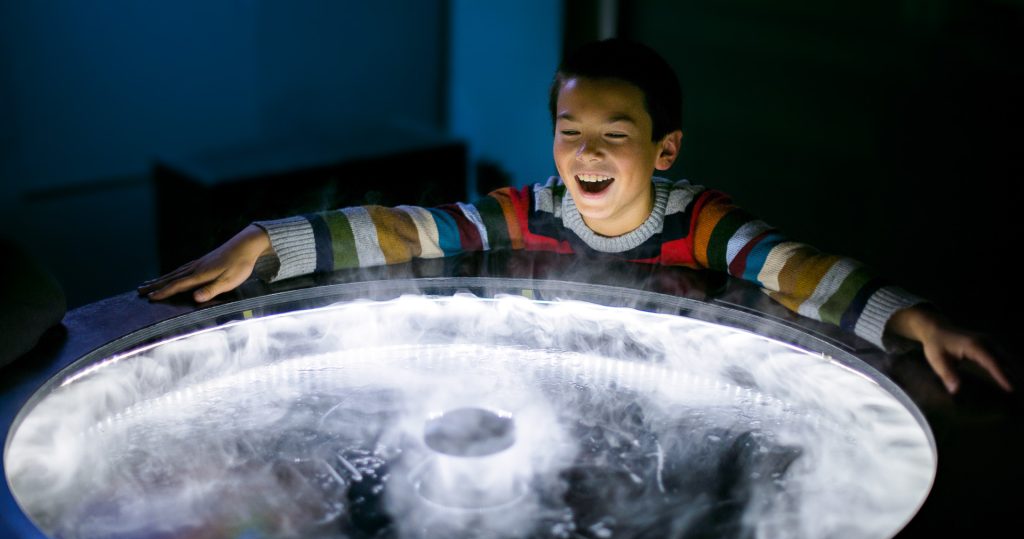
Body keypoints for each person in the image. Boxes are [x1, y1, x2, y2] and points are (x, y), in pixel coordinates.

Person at [139, 39, 1011, 395]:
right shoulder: (535, 212)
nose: (587, 155)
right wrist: (271, 242)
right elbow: (415, 229)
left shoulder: (696, 220)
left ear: (664, 152)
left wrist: (906, 315)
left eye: (614, 136)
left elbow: (788, 266)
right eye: (571, 133)